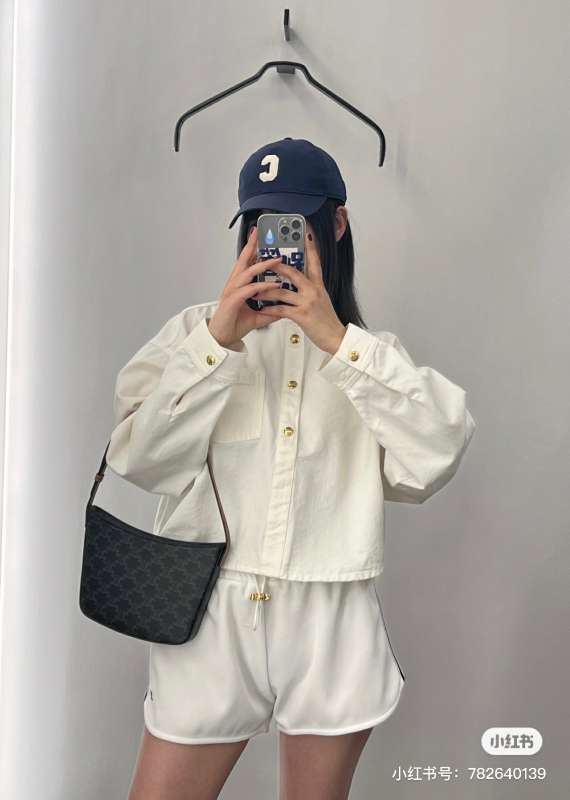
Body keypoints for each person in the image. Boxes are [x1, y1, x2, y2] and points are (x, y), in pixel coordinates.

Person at [107, 138, 476, 800]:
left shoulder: (370, 357)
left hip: (330, 615)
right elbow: (139, 459)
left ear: (336, 225)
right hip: (207, 612)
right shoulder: (194, 335)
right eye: (261, 223)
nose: (276, 243)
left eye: (296, 223)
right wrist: (218, 342)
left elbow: (436, 454)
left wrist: (338, 341)